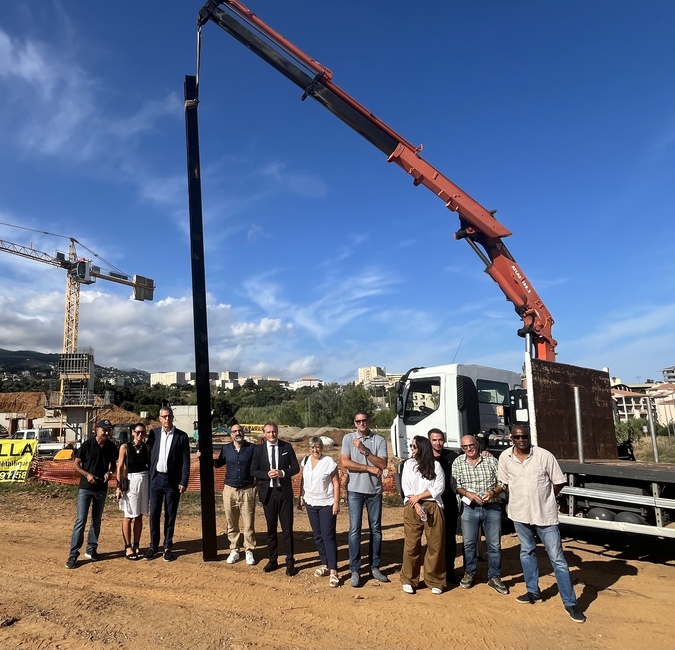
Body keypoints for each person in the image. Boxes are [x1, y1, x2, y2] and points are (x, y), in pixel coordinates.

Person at [497, 424, 587, 623]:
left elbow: (559, 481)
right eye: (517, 437)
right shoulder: (505, 458)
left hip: (544, 515)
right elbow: (504, 482)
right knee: (526, 552)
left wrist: (547, 498)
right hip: (520, 514)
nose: (522, 440)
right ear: (511, 438)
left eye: (525, 436)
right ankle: (533, 592)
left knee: (557, 559)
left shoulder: (544, 456)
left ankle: (570, 603)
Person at [452, 434, 508, 595]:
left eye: (471, 445)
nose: (469, 449)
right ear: (462, 448)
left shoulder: (491, 460)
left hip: (491, 507)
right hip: (469, 508)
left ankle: (494, 576)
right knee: (469, 543)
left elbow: (503, 482)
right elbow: (455, 485)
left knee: (494, 545)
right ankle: (469, 572)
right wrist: (467, 494)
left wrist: (492, 492)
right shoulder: (458, 462)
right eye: (465, 447)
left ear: (477, 445)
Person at [341, 412, 389, 587]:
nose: (362, 423)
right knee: (355, 530)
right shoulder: (348, 439)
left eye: (364, 420)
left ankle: (374, 567)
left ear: (369, 422)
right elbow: (345, 463)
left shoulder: (379, 440)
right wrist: (368, 468)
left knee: (376, 530)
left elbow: (382, 464)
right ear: (355, 423)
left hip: (374, 491)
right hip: (355, 490)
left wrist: (364, 450)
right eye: (358, 421)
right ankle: (355, 569)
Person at [65, 419, 118, 569]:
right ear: (97, 430)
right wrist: (87, 475)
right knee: (80, 521)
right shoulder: (87, 445)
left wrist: (109, 472)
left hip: (101, 488)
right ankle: (73, 555)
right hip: (86, 488)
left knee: (96, 520)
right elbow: (76, 464)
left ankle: (91, 549)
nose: (106, 432)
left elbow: (113, 465)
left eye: (109, 430)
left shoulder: (111, 447)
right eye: (104, 430)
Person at [251, 422, 300, 576]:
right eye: (268, 432)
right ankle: (273, 560)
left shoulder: (286, 447)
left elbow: (296, 467)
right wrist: (266, 475)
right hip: (268, 493)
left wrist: (283, 473)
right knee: (271, 529)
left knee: (287, 529)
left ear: (277, 432)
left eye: (274, 432)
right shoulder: (258, 450)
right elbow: (253, 470)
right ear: (264, 433)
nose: (271, 434)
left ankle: (290, 562)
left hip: (284, 493)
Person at [400, 435, 445, 594]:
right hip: (412, 505)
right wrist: (416, 503)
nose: (411, 449)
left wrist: (419, 497)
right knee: (412, 544)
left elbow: (439, 487)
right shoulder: (408, 465)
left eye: (414, 446)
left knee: (435, 544)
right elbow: (406, 486)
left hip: (432, 505)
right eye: (411, 446)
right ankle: (409, 579)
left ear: (422, 448)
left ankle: (435, 580)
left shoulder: (436, 465)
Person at [145, 406, 191, 562]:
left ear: (172, 418)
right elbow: (148, 454)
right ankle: (153, 546)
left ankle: (167, 546)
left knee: (170, 514)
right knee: (154, 514)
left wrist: (184, 481)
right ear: (159, 419)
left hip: (173, 481)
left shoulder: (181, 436)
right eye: (164, 416)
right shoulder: (154, 434)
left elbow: (186, 461)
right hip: (156, 479)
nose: (167, 419)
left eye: (169, 416)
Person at [298, 436, 340, 588]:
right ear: (309, 448)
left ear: (322, 448)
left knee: (328, 536)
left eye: (317, 447)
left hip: (326, 503)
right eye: (312, 447)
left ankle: (333, 570)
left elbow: (336, 483)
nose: (315, 450)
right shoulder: (305, 461)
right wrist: (301, 496)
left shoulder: (328, 462)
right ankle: (324, 564)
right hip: (311, 502)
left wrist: (336, 503)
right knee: (317, 535)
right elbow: (303, 479)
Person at [215, 424, 257, 566]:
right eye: (234, 431)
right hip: (230, 490)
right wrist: (204, 457)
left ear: (243, 433)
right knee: (231, 522)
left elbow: (259, 465)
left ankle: (249, 550)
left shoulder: (252, 448)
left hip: (248, 490)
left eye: (239, 431)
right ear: (231, 434)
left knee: (248, 523)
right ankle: (234, 549)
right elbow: (218, 463)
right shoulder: (226, 449)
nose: (237, 433)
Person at [428, 428, 459, 585]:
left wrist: (484, 453)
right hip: (431, 503)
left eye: (440, 439)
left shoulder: (452, 456)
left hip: (450, 503)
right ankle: (434, 572)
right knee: (434, 540)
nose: (438, 443)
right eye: (434, 440)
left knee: (449, 539)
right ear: (429, 441)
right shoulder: (425, 457)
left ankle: (449, 572)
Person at [115, 423, 151, 560]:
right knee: (129, 515)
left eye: (142, 432)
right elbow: (119, 467)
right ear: (133, 433)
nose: (140, 435)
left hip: (144, 479)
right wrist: (118, 486)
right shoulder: (125, 447)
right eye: (137, 432)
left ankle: (136, 545)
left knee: (139, 515)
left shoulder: (147, 448)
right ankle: (128, 547)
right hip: (131, 480)